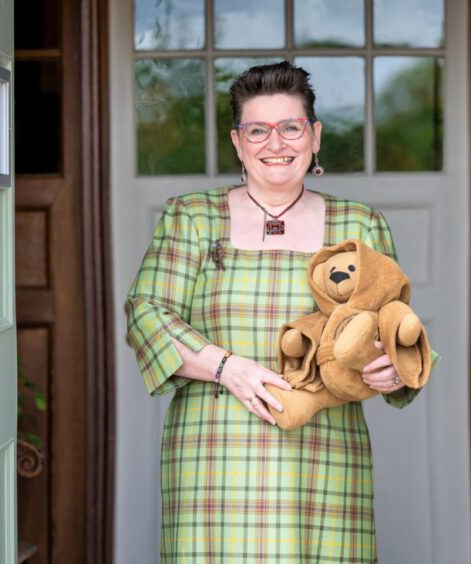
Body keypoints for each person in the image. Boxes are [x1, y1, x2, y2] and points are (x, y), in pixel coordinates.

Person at [126, 61, 422, 562]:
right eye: (258, 130)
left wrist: (393, 367)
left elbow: (397, 330)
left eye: (291, 127)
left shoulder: (360, 225)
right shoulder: (192, 218)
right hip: (213, 455)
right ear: (238, 142)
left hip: (325, 455)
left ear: (315, 136)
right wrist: (228, 368)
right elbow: (146, 314)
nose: (276, 143)